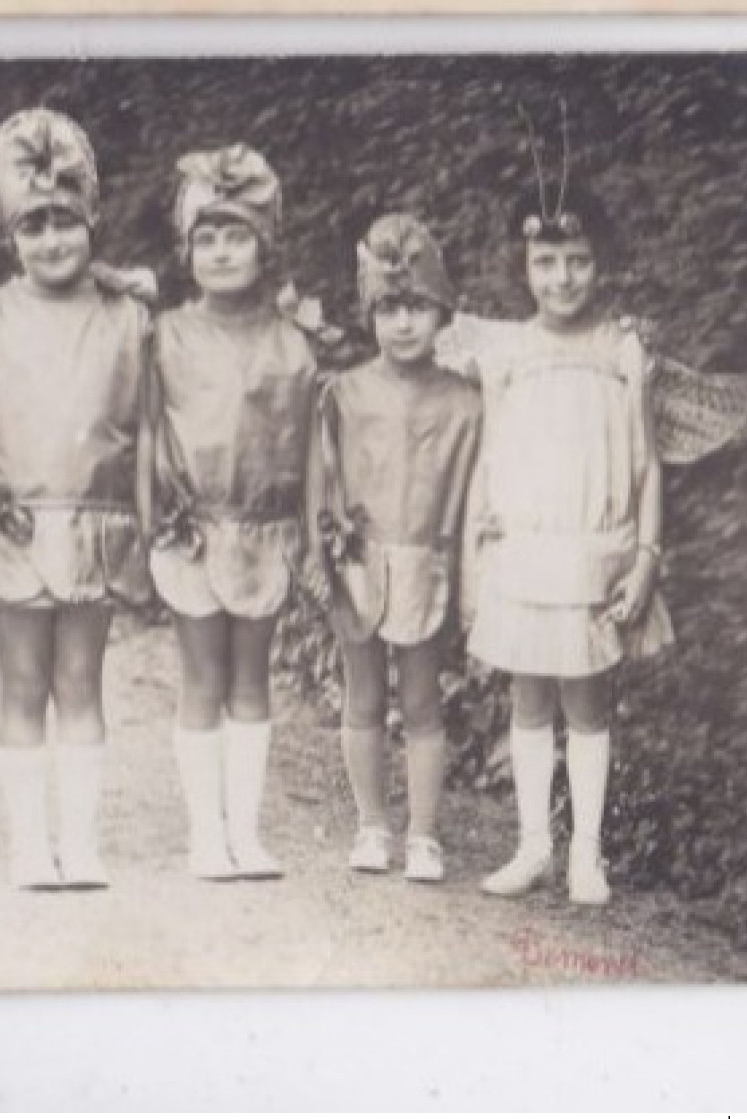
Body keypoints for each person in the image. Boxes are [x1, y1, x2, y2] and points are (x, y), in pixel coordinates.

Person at [0, 108, 154, 892]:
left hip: (94, 521)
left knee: (81, 681)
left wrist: (153, 521)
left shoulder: (128, 317)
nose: (53, 240)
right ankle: (30, 844)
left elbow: (147, 426)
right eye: (34, 226)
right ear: (10, 233)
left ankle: (82, 840)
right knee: (22, 682)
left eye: (65, 221)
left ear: (91, 219)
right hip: (14, 523)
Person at [442, 181, 674, 906]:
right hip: (524, 550)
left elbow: (645, 462)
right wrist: (475, 561)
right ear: (523, 265)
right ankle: (532, 845)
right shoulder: (505, 350)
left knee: (587, 702)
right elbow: (486, 455)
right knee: (528, 698)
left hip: (594, 552)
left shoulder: (624, 349)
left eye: (575, 260)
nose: (561, 277)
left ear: (598, 263)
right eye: (545, 262)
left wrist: (644, 559)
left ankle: (586, 854)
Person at [148, 144, 321, 881]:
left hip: (265, 528)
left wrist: (311, 535)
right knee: (200, 677)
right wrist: (156, 510)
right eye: (206, 238)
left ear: (264, 244)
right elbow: (149, 432)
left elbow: (312, 447)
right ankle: (202, 833)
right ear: (187, 250)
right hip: (194, 526)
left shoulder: (293, 344)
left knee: (252, 678)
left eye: (237, 235)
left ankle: (244, 832)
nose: (221, 252)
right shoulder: (166, 336)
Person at [308, 214, 481, 883]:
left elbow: (475, 494)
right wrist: (326, 557)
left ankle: (425, 834)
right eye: (387, 307)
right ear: (368, 313)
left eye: (416, 307)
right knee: (361, 695)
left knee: (421, 700)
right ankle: (372, 824)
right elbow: (322, 478)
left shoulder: (465, 402)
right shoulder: (342, 393)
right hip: (359, 560)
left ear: (440, 312)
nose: (403, 323)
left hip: (425, 563)